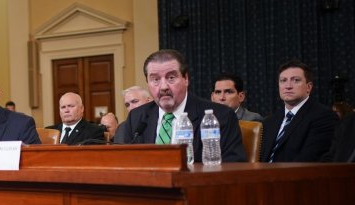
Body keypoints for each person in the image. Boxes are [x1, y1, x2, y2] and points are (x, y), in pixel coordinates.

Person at [116, 49, 246, 162]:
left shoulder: (221, 116)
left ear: (186, 79)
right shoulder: (137, 117)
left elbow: (233, 166)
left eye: (171, 77)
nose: (163, 87)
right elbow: (126, 162)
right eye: (155, 79)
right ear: (147, 83)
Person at [260, 59, 338, 163]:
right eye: (283, 80)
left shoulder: (324, 117)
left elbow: (310, 160)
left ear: (308, 87)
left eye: (296, 80)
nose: (288, 86)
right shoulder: (269, 121)